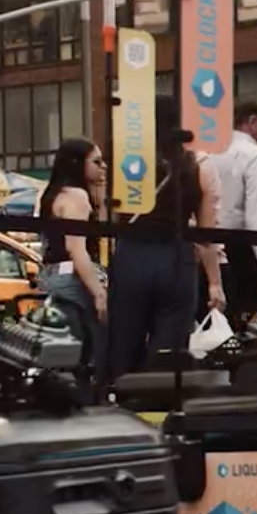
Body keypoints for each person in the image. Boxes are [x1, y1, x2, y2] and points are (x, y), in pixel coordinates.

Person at [107, 96, 226, 380]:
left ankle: (123, 396)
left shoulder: (125, 163)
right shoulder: (200, 165)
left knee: (124, 342)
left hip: (132, 253)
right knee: (170, 352)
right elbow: (206, 234)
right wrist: (214, 282)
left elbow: (108, 214)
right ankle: (161, 400)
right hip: (176, 256)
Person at [36, 138, 110, 387]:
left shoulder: (50, 194)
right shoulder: (77, 197)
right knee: (89, 347)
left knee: (61, 345)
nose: (104, 167)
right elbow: (76, 248)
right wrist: (98, 292)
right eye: (96, 162)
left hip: (52, 276)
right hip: (74, 279)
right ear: (78, 163)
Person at [210, 102, 257, 311]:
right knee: (247, 321)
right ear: (252, 122)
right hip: (242, 252)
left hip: (207, 249)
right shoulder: (256, 157)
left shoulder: (209, 152)